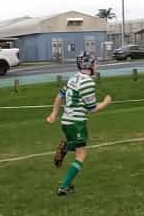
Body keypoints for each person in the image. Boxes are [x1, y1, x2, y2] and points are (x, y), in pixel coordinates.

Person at [47, 52, 113, 196]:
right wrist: (106, 102)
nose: (97, 66)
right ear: (89, 65)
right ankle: (64, 187)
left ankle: (65, 148)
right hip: (76, 123)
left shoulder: (74, 78)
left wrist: (54, 114)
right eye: (95, 63)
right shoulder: (87, 82)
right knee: (82, 154)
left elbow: (60, 95)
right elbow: (92, 109)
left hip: (66, 121)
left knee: (79, 148)